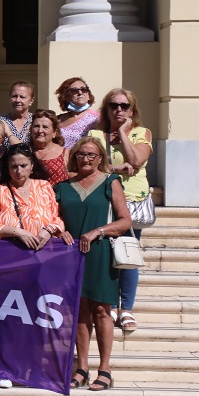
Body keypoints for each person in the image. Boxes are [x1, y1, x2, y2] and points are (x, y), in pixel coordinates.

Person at [0, 142, 66, 389]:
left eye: (23, 166)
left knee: (36, 316)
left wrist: (49, 231)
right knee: (10, 316)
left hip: (41, 262)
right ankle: (7, 368)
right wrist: (16, 231)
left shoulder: (44, 187)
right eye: (14, 166)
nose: (18, 171)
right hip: (9, 262)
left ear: (32, 167)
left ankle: (32, 367)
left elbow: (56, 218)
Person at [56, 137, 132, 392]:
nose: (85, 158)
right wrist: (59, 232)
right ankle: (82, 368)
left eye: (91, 154)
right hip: (71, 254)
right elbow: (54, 219)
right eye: (81, 154)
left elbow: (124, 221)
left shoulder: (111, 182)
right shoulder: (63, 187)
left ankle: (105, 368)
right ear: (74, 157)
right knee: (80, 310)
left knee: (102, 309)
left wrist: (98, 231)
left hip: (100, 251)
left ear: (101, 158)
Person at [88, 88, 153, 332]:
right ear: (106, 109)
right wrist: (116, 169)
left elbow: (136, 161)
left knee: (128, 255)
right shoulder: (96, 134)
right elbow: (90, 165)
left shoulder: (141, 133)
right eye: (114, 105)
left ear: (132, 110)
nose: (119, 110)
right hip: (104, 200)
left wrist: (124, 133)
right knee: (106, 257)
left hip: (132, 202)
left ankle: (126, 308)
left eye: (124, 106)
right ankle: (110, 304)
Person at [56, 77, 100, 149]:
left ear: (88, 95)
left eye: (84, 89)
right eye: (74, 91)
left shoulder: (97, 119)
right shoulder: (57, 120)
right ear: (66, 96)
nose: (80, 93)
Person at [31, 109, 70, 186]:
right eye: (36, 126)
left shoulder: (65, 153)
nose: (40, 130)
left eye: (45, 127)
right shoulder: (25, 152)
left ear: (54, 133)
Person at [0, 81, 35, 146]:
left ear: (31, 101)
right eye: (14, 96)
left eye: (22, 97)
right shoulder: (1, 122)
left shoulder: (36, 122)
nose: (17, 100)